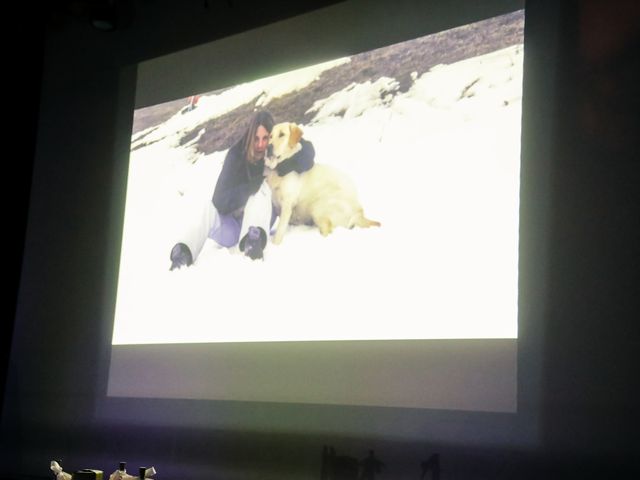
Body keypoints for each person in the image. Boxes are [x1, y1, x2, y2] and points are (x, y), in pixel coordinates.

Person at [169, 110, 315, 267]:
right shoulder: (236, 154)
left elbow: (307, 151)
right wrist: (247, 189)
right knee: (208, 207)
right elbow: (219, 200)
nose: (260, 144)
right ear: (250, 136)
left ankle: (253, 243)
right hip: (233, 228)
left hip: (259, 225)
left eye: (265, 138)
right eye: (256, 138)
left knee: (262, 188)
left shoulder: (274, 151)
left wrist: (284, 167)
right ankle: (184, 252)